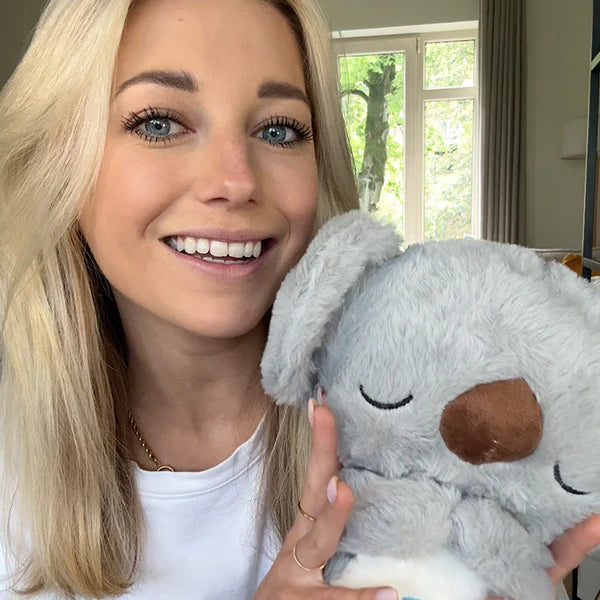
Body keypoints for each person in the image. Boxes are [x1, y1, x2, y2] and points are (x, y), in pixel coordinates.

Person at [0, 0, 598, 598]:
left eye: (278, 130)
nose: (236, 181)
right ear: (58, 163)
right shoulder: (12, 475)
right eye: (159, 123)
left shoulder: (422, 433)